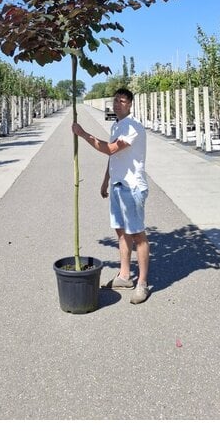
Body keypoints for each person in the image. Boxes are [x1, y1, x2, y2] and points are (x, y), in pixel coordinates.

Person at [71, 88, 150, 304]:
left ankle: (142, 283)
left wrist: (83, 133)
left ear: (130, 104)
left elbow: (111, 149)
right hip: (117, 185)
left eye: (122, 101)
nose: (118, 104)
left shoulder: (133, 128)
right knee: (121, 232)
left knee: (137, 235)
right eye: (115, 100)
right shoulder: (117, 125)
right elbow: (114, 158)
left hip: (132, 187)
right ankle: (124, 276)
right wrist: (106, 180)